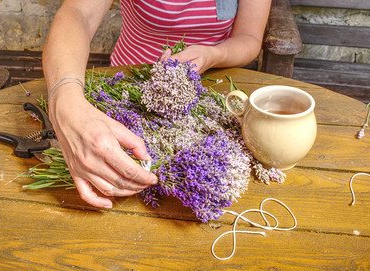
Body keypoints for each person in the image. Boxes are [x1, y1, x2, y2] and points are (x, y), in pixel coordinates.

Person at [42, 0, 272, 209]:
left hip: (211, 93)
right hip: (127, 87)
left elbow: (249, 38)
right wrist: (66, 100)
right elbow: (78, 13)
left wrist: (214, 54)